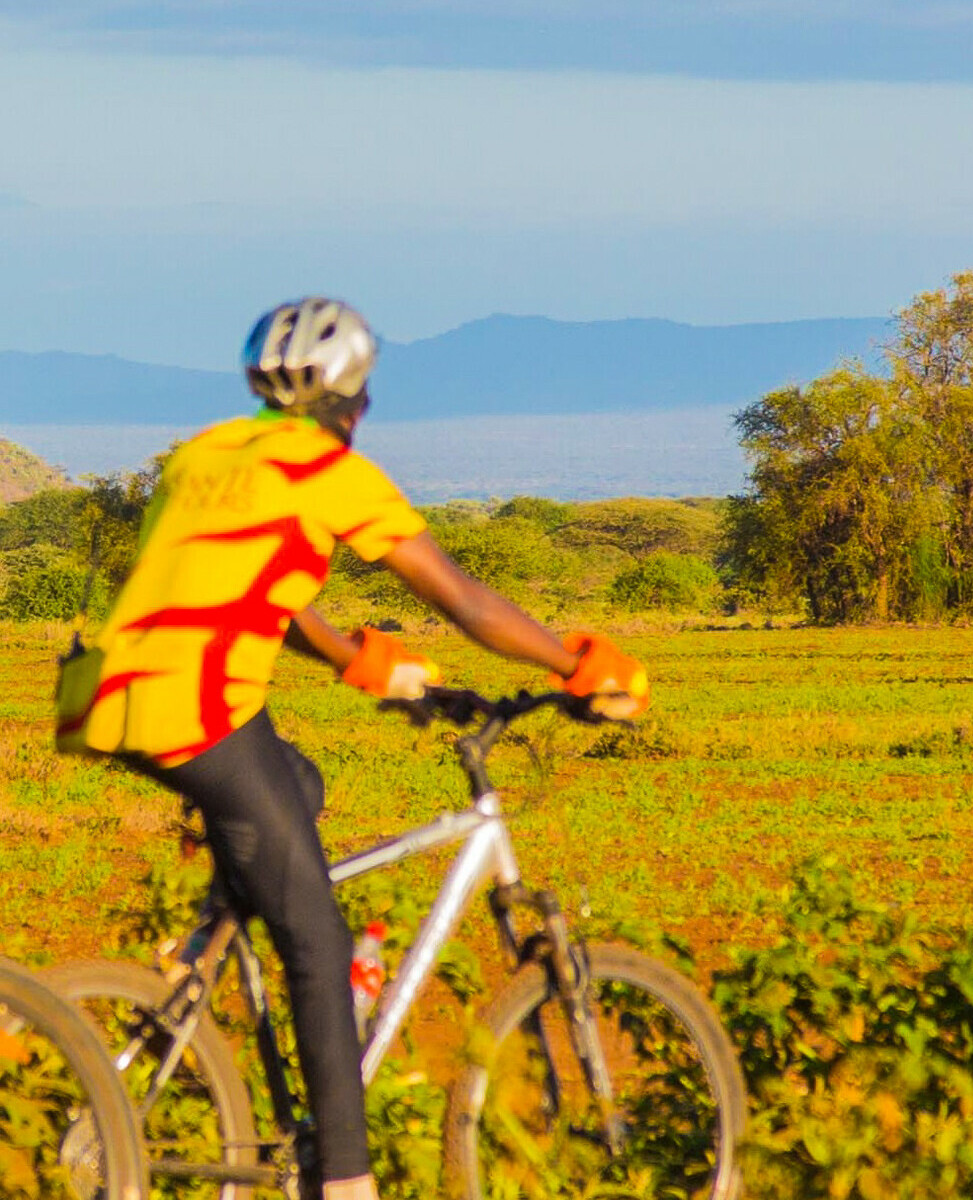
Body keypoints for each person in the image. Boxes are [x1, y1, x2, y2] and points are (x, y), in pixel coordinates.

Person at [53, 298, 649, 1200]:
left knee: (299, 780)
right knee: (319, 946)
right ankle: (344, 1182)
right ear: (355, 398)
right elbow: (465, 601)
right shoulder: (332, 472)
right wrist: (577, 665)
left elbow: (254, 589)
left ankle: (203, 943)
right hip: (200, 710)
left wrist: (356, 659)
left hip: (105, 695)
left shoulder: (205, 456)